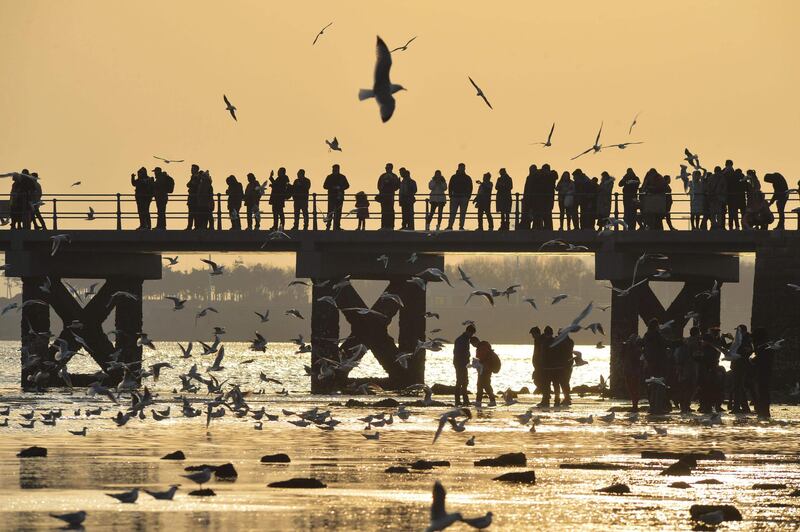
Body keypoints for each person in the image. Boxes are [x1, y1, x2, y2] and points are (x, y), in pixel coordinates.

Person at [642, 318, 671, 414]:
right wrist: (679, 342)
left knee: (652, 386)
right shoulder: (657, 335)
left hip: (650, 364)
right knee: (659, 386)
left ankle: (652, 407)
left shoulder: (646, 336)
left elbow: (644, 349)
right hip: (659, 364)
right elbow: (665, 344)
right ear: (656, 326)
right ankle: (658, 407)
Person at [728, 324, 755, 414]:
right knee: (739, 387)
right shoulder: (743, 339)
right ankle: (744, 407)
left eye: (738, 331)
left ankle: (737, 407)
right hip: (738, 365)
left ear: (742, 331)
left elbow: (748, 351)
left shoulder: (746, 340)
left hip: (740, 365)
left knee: (738, 386)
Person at [674, 327, 701, 413]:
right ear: (697, 333)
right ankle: (686, 405)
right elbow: (696, 355)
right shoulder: (695, 342)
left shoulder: (685, 341)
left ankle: (683, 406)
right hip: (691, 367)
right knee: (691, 387)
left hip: (683, 367)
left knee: (684, 387)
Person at [751, 327, 773, 418]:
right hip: (766, 373)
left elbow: (759, 359)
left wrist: (752, 360)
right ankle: (764, 411)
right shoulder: (769, 347)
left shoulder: (762, 347)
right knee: (764, 392)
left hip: (761, 373)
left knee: (762, 392)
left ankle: (762, 411)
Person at [452, 324, 476, 406]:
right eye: (472, 334)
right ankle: (461, 400)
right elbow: (459, 353)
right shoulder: (462, 340)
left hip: (461, 363)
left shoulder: (463, 339)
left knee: (463, 381)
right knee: (461, 381)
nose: (472, 336)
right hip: (460, 363)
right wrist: (465, 360)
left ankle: (461, 400)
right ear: (468, 332)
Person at [471, 336, 497, 407]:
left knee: (482, 385)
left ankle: (483, 401)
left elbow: (483, 358)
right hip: (486, 368)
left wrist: (477, 363)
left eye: (473, 344)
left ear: (475, 342)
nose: (473, 346)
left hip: (485, 369)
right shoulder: (484, 346)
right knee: (485, 385)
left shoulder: (481, 347)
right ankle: (489, 400)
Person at [446, 163, 473, 231]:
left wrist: (468, 196)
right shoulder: (454, 177)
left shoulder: (467, 178)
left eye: (463, 168)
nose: (462, 169)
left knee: (462, 212)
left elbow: (470, 188)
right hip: (455, 196)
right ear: (458, 168)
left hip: (463, 197)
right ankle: (450, 225)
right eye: (461, 167)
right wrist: (450, 195)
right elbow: (450, 186)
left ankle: (460, 226)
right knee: (452, 212)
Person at [323, 164, 349, 230]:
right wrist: (333, 187)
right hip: (332, 197)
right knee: (330, 212)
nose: (335, 170)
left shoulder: (342, 177)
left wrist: (340, 187)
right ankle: (328, 226)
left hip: (339, 197)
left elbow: (347, 185)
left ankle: (336, 226)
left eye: (336, 169)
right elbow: (325, 186)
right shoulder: (330, 177)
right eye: (334, 169)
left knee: (338, 212)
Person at [622, 333, 642, 411]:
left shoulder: (634, 349)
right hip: (631, 371)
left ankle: (635, 406)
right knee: (632, 389)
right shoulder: (633, 349)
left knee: (633, 389)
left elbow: (634, 360)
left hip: (632, 371)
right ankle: (634, 405)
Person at [376, 163, 400, 230]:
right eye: (386, 168)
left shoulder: (393, 176)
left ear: (391, 168)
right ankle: (384, 225)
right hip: (384, 195)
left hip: (390, 196)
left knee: (390, 210)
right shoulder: (383, 176)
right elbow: (379, 186)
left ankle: (390, 226)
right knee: (384, 211)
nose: (386, 169)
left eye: (388, 168)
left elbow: (396, 186)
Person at [185, 164, 200, 230]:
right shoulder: (193, 177)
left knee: (194, 213)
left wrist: (191, 185)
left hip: (194, 198)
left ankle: (193, 226)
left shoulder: (197, 177)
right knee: (192, 213)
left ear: (196, 169)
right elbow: (188, 184)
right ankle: (191, 226)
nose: (191, 170)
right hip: (192, 198)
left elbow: (191, 185)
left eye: (192, 169)